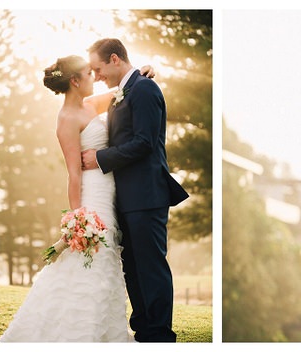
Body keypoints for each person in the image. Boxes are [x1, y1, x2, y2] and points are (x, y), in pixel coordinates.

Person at [0, 55, 155, 342]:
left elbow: (127, 88)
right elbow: (73, 174)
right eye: (88, 73)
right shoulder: (65, 120)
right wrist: (78, 218)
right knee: (95, 255)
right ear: (75, 81)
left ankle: (107, 331)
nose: (94, 76)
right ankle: (81, 330)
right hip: (91, 195)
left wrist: (145, 70)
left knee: (107, 257)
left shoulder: (91, 104)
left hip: (111, 189)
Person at [81, 38, 189, 343]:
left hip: (146, 195)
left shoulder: (145, 89)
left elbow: (144, 142)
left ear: (114, 59)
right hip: (125, 198)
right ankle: (144, 330)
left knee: (151, 266)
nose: (96, 75)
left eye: (98, 68)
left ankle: (158, 334)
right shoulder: (127, 89)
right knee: (133, 266)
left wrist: (100, 158)